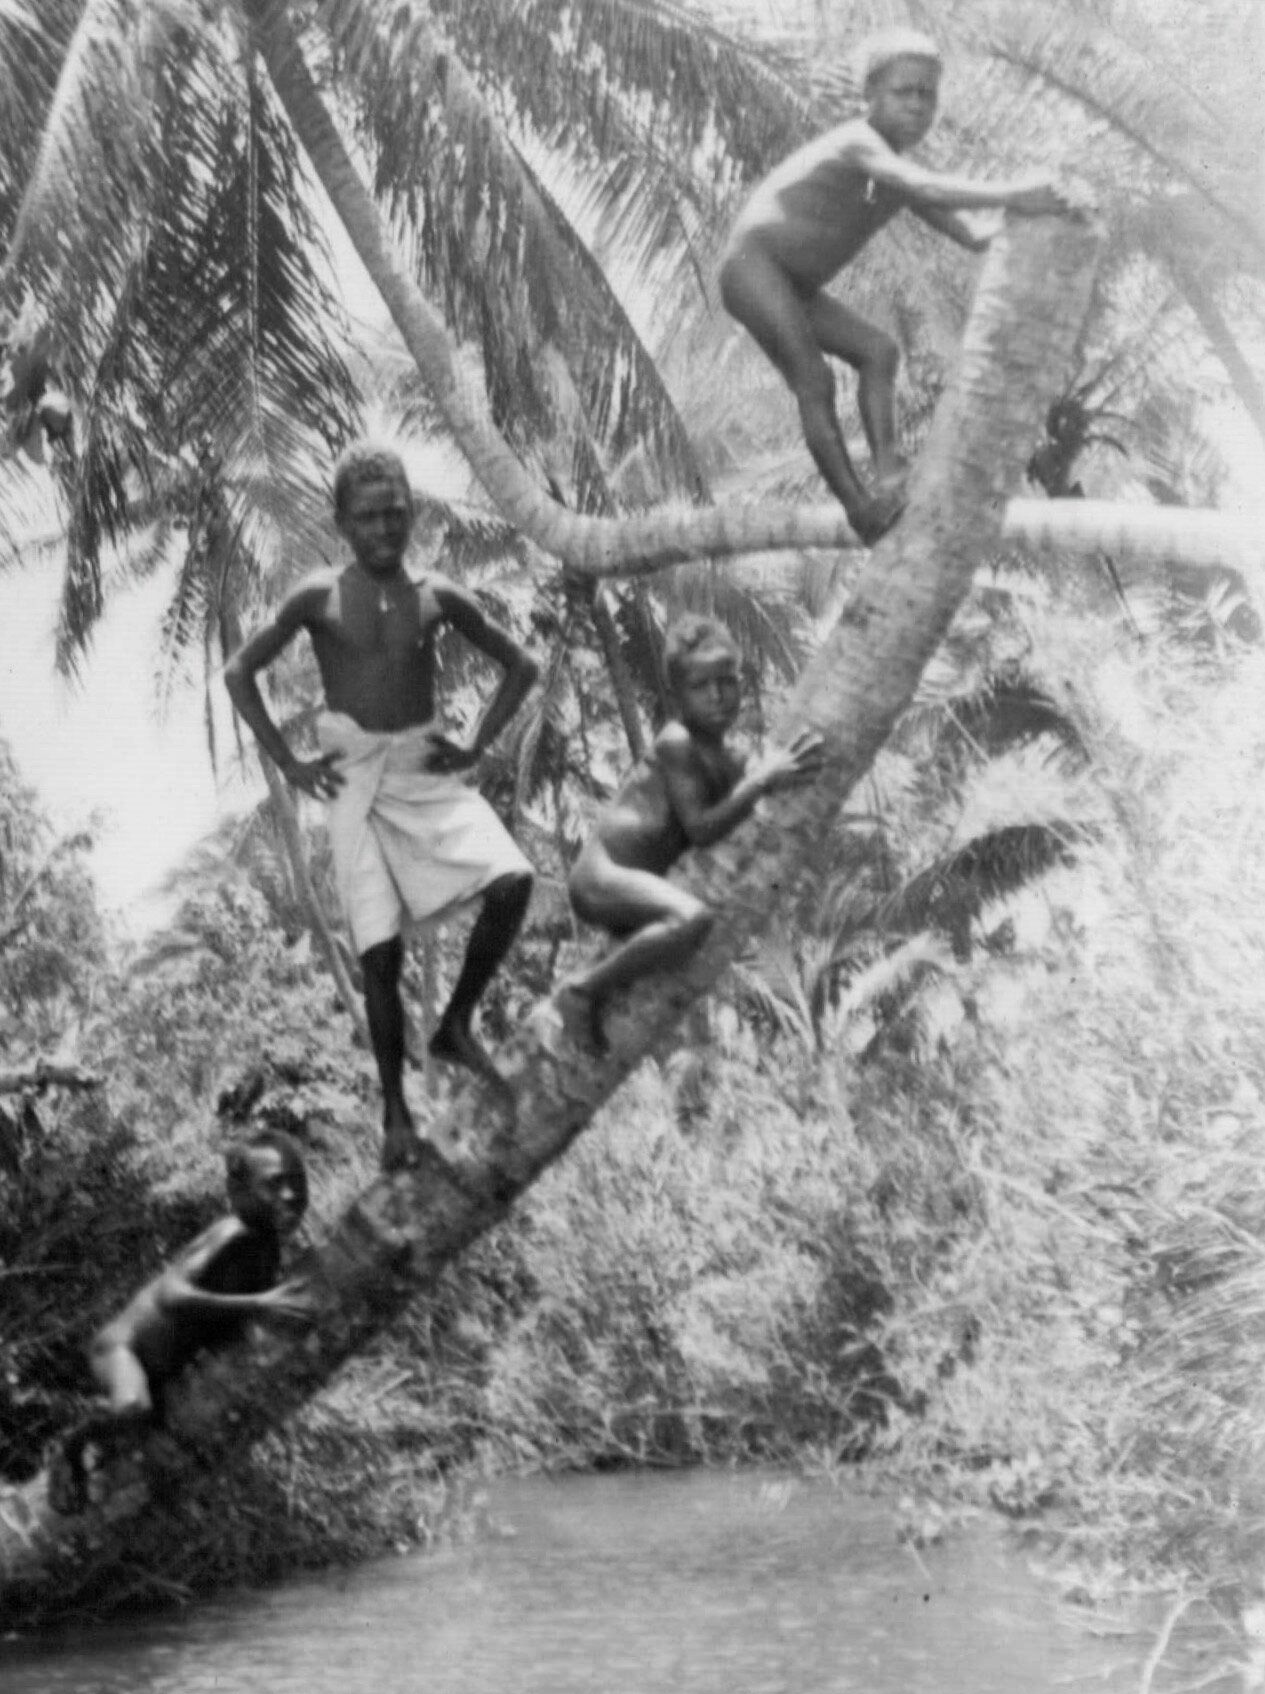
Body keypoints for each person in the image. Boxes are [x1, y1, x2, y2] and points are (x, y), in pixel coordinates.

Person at [225, 444, 540, 1170]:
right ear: (340, 522)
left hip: (421, 767)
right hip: (353, 777)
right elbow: (240, 671)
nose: (383, 529)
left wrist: (477, 746)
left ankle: (457, 1022)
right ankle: (395, 1114)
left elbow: (520, 664)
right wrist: (287, 760)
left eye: (395, 513)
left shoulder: (437, 594)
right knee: (378, 948)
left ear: (413, 514)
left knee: (512, 879)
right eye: (366, 517)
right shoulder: (316, 595)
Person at [717, 29, 1086, 542]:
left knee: (878, 351)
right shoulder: (860, 143)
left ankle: (889, 475)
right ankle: (859, 508)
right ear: (869, 96)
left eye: (926, 95)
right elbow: (925, 187)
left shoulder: (897, 170)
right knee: (815, 380)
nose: (917, 105)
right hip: (753, 265)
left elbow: (974, 234)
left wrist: (1051, 224)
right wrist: (1015, 193)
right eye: (903, 92)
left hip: (792, 281)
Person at [554, 617, 824, 1057]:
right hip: (601, 879)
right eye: (701, 687)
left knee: (685, 932)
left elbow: (744, 806)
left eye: (727, 681)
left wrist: (767, 776)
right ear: (678, 696)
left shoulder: (731, 758)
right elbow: (701, 828)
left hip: (637, 893)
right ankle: (582, 990)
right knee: (692, 919)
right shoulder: (676, 741)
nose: (718, 696)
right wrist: (762, 781)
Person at [51, 1132, 313, 1513]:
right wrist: (260, 1302)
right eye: (274, 1185)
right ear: (238, 1191)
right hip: (123, 1349)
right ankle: (72, 1443)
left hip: (161, 1367)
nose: (289, 1195)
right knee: (132, 1409)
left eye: (297, 1183)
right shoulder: (235, 1233)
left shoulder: (264, 1244)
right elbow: (172, 1295)